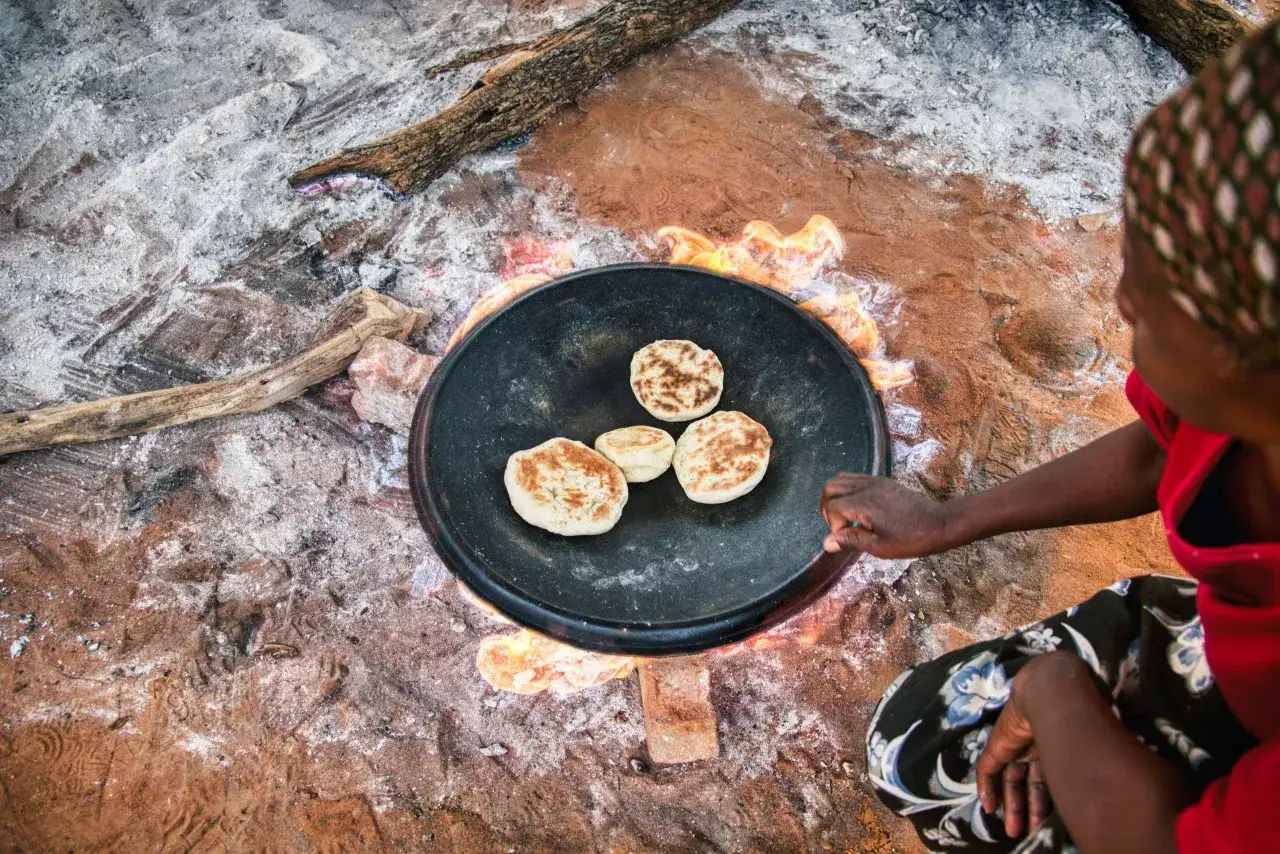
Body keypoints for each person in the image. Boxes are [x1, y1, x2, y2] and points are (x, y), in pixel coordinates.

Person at [821, 19, 1280, 854]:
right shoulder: (1243, 401)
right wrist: (950, 520)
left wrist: (1054, 693)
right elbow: (1161, 447)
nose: (1124, 302)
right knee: (920, 735)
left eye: (1157, 288)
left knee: (924, 769)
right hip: (1237, 652)